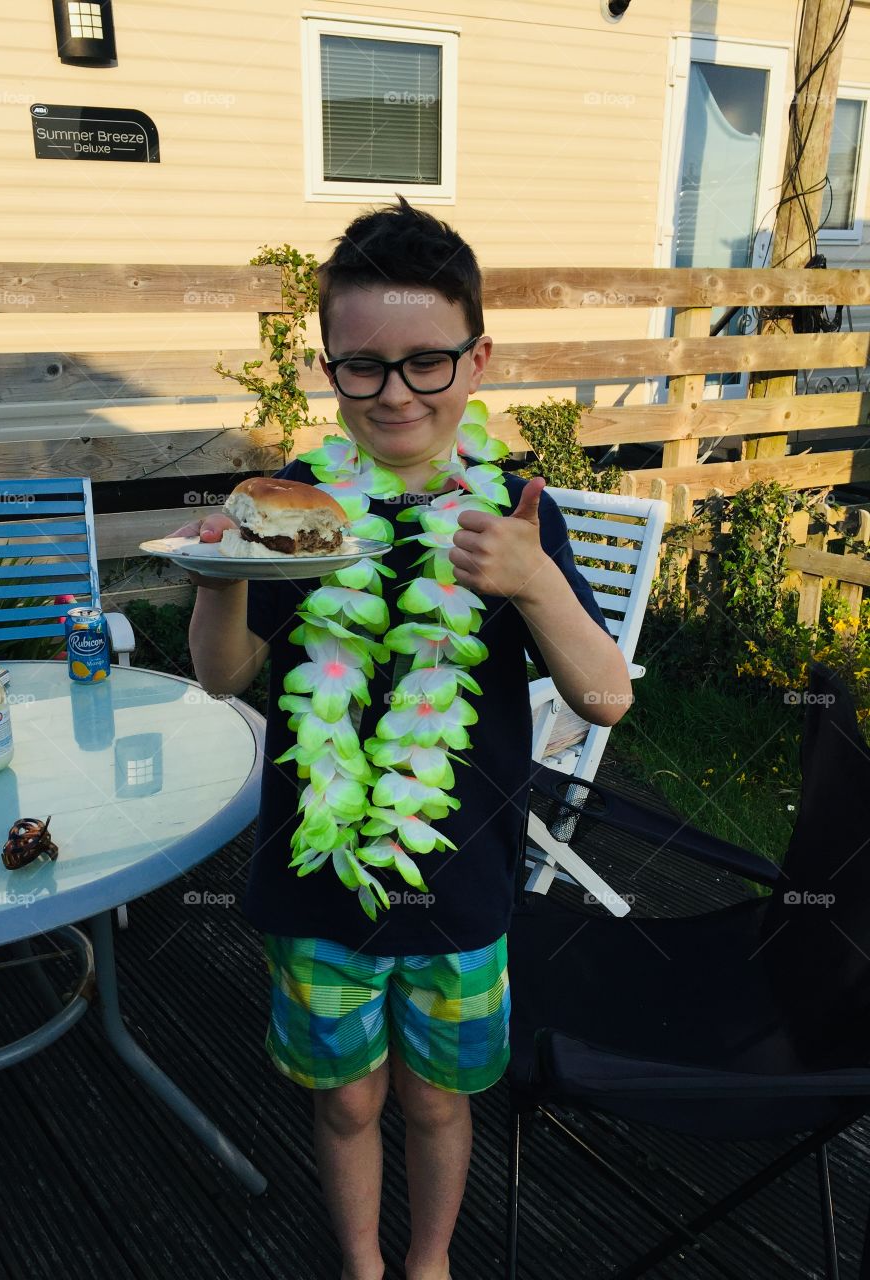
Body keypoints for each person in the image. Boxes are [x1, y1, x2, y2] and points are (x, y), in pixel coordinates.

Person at [177, 197, 631, 1280]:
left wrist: (533, 583)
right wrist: (219, 581)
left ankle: (426, 1263)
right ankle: (362, 1263)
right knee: (348, 1100)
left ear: (477, 360)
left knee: (435, 1101)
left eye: (426, 362)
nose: (394, 393)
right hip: (314, 880)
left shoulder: (513, 511)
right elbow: (226, 674)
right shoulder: (296, 502)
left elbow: (606, 695)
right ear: (329, 368)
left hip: (463, 882)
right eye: (362, 366)